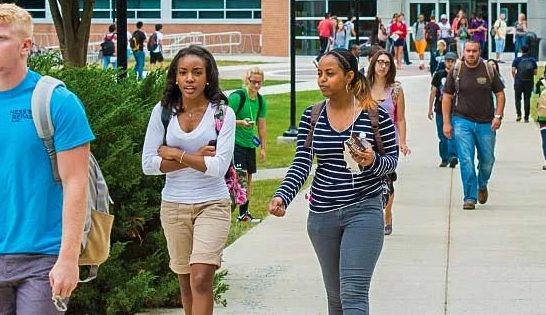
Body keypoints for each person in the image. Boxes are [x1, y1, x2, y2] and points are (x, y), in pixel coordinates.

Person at [0, 4, 94, 313]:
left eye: (0, 38)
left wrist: (68, 259)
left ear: (25, 46)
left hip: (46, 256)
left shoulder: (57, 102)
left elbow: (76, 183)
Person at [268, 49, 398, 315]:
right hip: (322, 216)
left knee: (353, 295)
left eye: (330, 74)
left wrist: (371, 161)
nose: (322, 80)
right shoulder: (312, 116)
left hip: (364, 210)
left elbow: (392, 163)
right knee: (336, 299)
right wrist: (283, 195)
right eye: (319, 74)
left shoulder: (375, 116)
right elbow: (302, 163)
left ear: (349, 76)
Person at [142, 45, 234, 315]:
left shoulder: (222, 114)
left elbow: (218, 167)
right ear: (175, 77)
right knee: (185, 283)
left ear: (208, 76)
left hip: (213, 204)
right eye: (183, 73)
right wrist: (194, 157)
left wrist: (174, 153)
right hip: (174, 205)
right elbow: (148, 165)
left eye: (196, 72)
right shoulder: (163, 112)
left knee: (201, 278)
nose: (190, 79)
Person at [442, 40, 505, 210]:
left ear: (479, 52)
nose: (471, 54)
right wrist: (446, 123)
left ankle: (482, 184)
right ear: (463, 52)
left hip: (486, 123)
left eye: (474, 51)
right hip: (462, 121)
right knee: (466, 159)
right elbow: (447, 97)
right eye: (468, 51)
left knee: (487, 160)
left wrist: (498, 116)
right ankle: (469, 197)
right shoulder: (457, 70)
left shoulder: (488, 69)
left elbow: (500, 94)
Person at [367, 49, 409, 235]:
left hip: (389, 141)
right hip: (366, 140)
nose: (382, 66)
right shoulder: (363, 88)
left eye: (386, 63)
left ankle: (387, 214)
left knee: (388, 180)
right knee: (367, 179)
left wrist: (403, 141)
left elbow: (400, 118)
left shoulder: (396, 90)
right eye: (379, 62)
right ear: (373, 64)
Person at [228, 67, 267, 224]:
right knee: (240, 177)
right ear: (247, 80)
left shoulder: (260, 100)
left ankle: (243, 213)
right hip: (235, 143)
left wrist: (263, 148)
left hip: (249, 144)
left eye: (259, 83)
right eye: (253, 82)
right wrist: (241, 122)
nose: (256, 86)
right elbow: (222, 118)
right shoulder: (238, 97)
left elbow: (262, 126)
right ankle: (229, 207)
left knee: (248, 177)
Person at [428, 52, 458, 168]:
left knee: (453, 134)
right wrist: (430, 108)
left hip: (455, 110)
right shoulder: (439, 74)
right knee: (442, 135)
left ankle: (452, 157)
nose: (450, 63)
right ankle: (444, 158)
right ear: (445, 62)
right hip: (440, 109)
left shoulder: (458, 75)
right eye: (448, 61)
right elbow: (433, 91)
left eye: (452, 61)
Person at [512, 44, 538, 122]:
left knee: (518, 99)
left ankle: (519, 114)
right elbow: (535, 72)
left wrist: (515, 78)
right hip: (529, 82)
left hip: (518, 82)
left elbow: (513, 71)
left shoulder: (517, 60)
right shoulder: (533, 60)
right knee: (527, 99)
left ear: (521, 51)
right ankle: (526, 117)